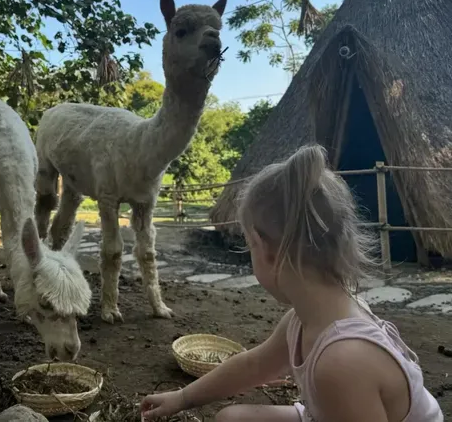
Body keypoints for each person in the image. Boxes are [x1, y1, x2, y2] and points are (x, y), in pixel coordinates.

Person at [141, 145, 443, 422]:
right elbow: (254, 365)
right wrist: (183, 397)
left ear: (265, 248)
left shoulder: (342, 363)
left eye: (249, 247)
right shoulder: (304, 319)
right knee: (230, 419)